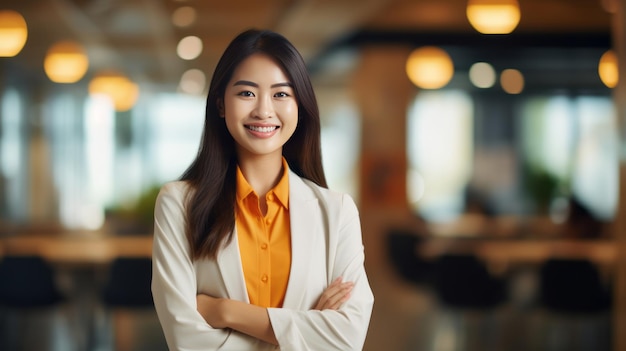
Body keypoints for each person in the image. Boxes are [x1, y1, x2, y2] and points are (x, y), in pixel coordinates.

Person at [151, 29, 374, 350]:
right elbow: (185, 339)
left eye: (281, 94)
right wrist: (304, 331)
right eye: (246, 93)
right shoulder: (179, 203)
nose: (264, 111)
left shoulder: (337, 211)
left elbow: (347, 338)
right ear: (220, 104)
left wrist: (225, 311)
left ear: (300, 105)